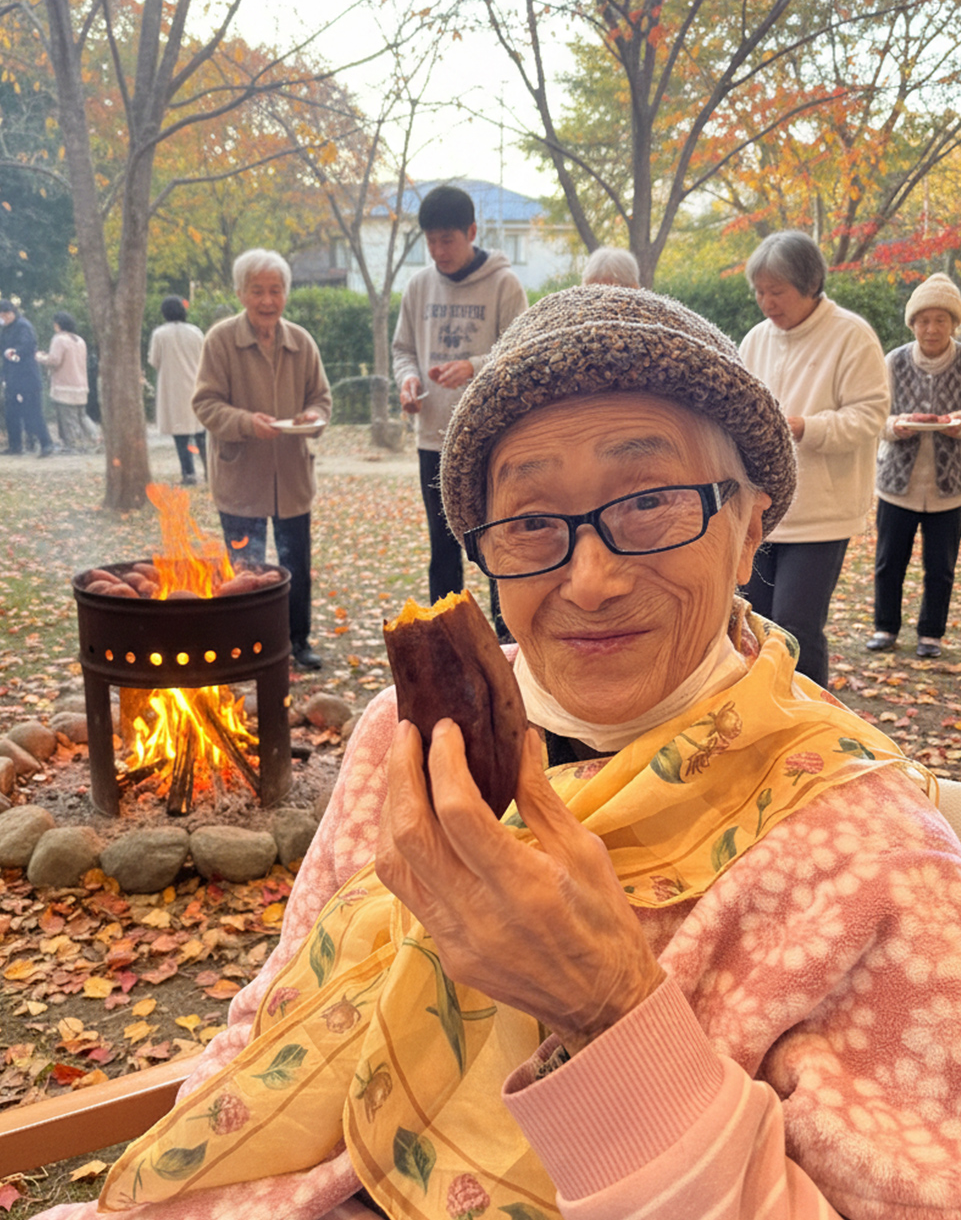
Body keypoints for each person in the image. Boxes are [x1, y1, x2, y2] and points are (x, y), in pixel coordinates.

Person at [46, 286, 961, 1220]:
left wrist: (607, 1007)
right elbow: (278, 1007)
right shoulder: (407, 741)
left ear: (750, 527)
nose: (590, 580)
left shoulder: (879, 862)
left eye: (648, 501)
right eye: (530, 522)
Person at [739, 230, 889, 685]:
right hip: (762, 510)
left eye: (777, 291)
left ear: (809, 285)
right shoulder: (756, 340)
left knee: (795, 627)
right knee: (750, 622)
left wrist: (807, 426)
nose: (767, 302)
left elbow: (871, 415)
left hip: (822, 512)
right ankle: (754, 711)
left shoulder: (850, 335)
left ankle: (807, 724)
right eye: (760, 292)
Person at [193, 249, 332, 672]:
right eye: (258, 291)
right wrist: (246, 422)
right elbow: (205, 403)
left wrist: (313, 418)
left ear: (285, 294)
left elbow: (321, 400)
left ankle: (297, 641)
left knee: (295, 564)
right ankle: (246, 644)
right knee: (245, 568)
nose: (268, 300)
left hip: (291, 478)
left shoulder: (300, 341)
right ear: (241, 293)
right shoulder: (220, 340)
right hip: (240, 477)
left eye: (275, 290)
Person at [392, 184, 528, 607]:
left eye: (446, 240)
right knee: (442, 549)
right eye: (430, 241)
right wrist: (408, 380)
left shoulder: (504, 284)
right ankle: (448, 647)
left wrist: (473, 365)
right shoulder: (418, 286)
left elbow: (521, 354)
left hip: (490, 439)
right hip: (433, 437)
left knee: (498, 542)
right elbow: (403, 350)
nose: (437, 251)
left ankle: (509, 643)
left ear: (470, 232)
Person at [867, 272, 961, 659]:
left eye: (941, 319)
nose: (931, 328)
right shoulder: (894, 361)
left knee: (940, 567)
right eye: (924, 320)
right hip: (896, 482)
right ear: (913, 323)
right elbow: (874, 415)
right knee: (889, 562)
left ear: (953, 323)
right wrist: (894, 426)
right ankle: (885, 627)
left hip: (950, 486)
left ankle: (931, 634)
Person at [149, 295, 207, 485]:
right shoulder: (196, 332)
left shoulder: (159, 334)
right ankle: (210, 471)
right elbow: (204, 358)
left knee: (180, 435)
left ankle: (188, 473)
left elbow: (154, 361)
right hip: (196, 386)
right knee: (201, 433)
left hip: (173, 389)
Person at [0, 298, 55, 458]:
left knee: (34, 412)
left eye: (2, 316)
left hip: (27, 376)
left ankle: (46, 444)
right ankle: (15, 445)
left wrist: (13, 351)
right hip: (12, 377)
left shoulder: (23, 326)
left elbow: (28, 345)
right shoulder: (6, 329)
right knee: (12, 412)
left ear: (10, 313)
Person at [36, 310, 95, 453]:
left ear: (58, 324)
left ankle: (72, 445)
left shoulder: (59, 339)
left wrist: (40, 357)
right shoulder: (79, 340)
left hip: (65, 385)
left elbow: (54, 360)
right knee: (81, 416)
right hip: (81, 384)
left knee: (67, 417)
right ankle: (92, 440)